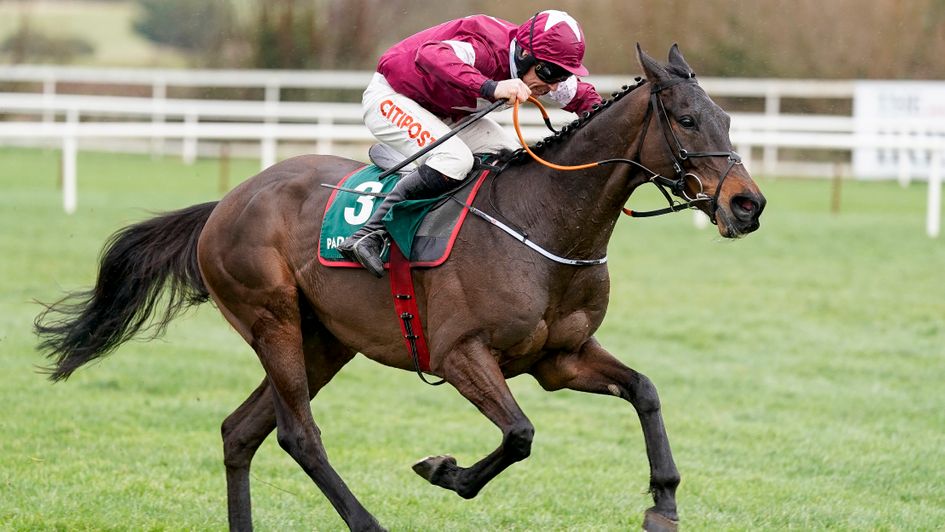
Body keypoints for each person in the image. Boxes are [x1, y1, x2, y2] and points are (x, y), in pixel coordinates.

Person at [338, 10, 603, 277]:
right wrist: (491, 87)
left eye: (562, 75)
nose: (553, 86)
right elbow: (430, 54)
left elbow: (587, 101)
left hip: (445, 112)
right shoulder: (485, 49)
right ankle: (369, 234)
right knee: (455, 160)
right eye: (549, 72)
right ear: (525, 54)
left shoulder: (546, 74)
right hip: (393, 97)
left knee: (514, 158)